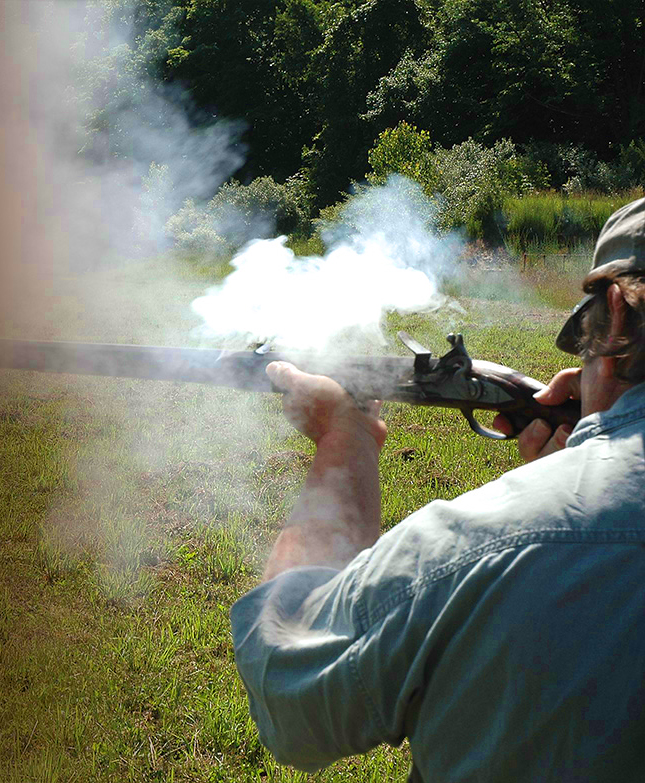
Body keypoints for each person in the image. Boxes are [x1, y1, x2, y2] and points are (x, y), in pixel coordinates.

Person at [231, 198, 645, 781]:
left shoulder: (476, 545)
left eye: (586, 343)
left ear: (617, 316)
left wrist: (343, 437)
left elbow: (285, 688)